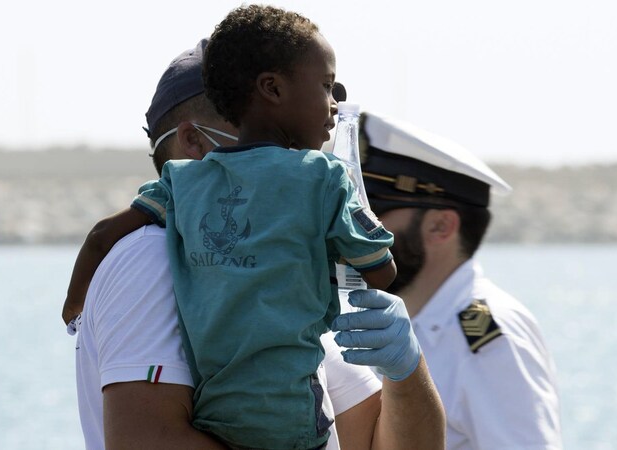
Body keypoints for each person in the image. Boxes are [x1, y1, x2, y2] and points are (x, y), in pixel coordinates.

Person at [74, 27, 443, 450]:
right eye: (272, 139)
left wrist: (406, 373)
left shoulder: (276, 265)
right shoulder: (153, 255)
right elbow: (147, 440)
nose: (292, 155)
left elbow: (377, 441)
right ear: (194, 143)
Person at [346, 112, 563, 449]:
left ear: (440, 227)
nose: (358, 231)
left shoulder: (489, 336)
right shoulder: (411, 324)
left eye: (374, 214)